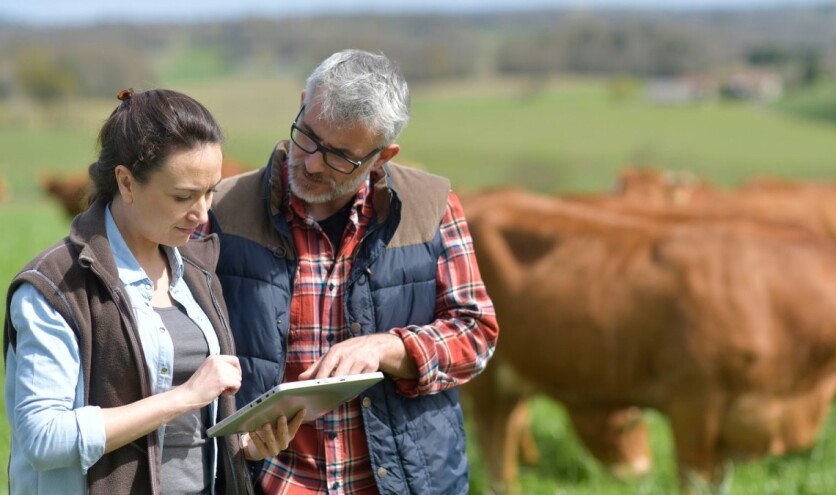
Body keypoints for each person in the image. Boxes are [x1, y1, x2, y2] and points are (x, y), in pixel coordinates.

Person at [204, 49, 500, 494]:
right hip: (272, 482)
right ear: (303, 102)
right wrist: (236, 438)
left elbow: (476, 333)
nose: (312, 163)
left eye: (341, 155)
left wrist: (388, 348)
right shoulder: (222, 211)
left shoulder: (431, 206)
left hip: (407, 481)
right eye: (307, 136)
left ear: (382, 156)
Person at [3, 88, 305, 495]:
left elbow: (191, 431)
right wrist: (183, 398)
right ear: (126, 182)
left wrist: (243, 445)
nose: (202, 213)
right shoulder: (57, 285)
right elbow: (43, 437)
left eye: (210, 191)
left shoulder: (197, 270)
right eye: (183, 196)